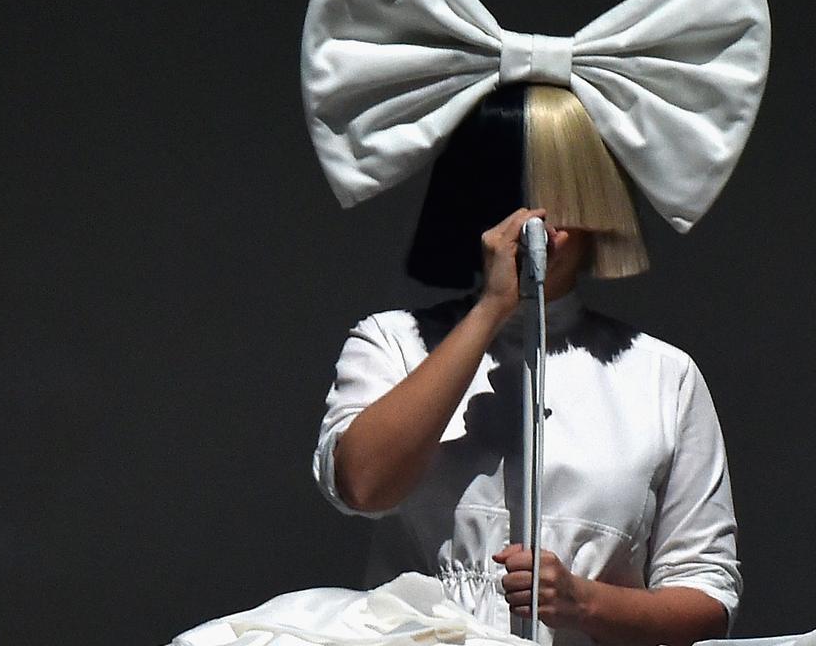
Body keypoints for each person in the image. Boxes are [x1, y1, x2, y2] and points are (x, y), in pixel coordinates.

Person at [312, 84, 740, 646]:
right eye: (514, 198)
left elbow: (707, 597)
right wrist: (492, 308)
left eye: (565, 199)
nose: (542, 227)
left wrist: (585, 603)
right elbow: (362, 485)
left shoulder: (664, 374)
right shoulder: (393, 341)